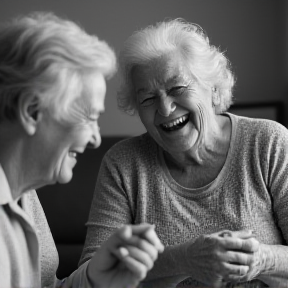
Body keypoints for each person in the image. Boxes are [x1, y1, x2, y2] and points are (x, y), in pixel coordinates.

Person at [79, 18, 288, 287]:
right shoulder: (123, 164)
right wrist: (182, 260)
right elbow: (91, 274)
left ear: (212, 89)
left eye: (177, 88)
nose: (165, 109)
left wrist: (261, 259)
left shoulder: (269, 143)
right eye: (148, 98)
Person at [0, 12, 164, 288]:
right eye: (89, 117)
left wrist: (94, 278)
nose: (96, 139)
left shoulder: (23, 194)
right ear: (31, 111)